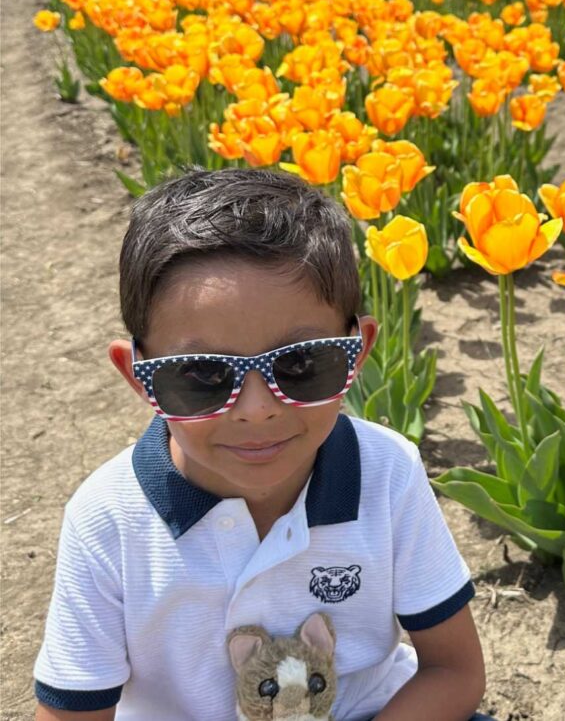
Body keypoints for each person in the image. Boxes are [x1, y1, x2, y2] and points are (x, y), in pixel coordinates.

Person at [32, 168, 493, 721]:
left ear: (359, 350)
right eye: (200, 374)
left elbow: (454, 671)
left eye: (302, 364)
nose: (257, 409)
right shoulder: (108, 519)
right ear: (138, 375)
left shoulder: (386, 471)